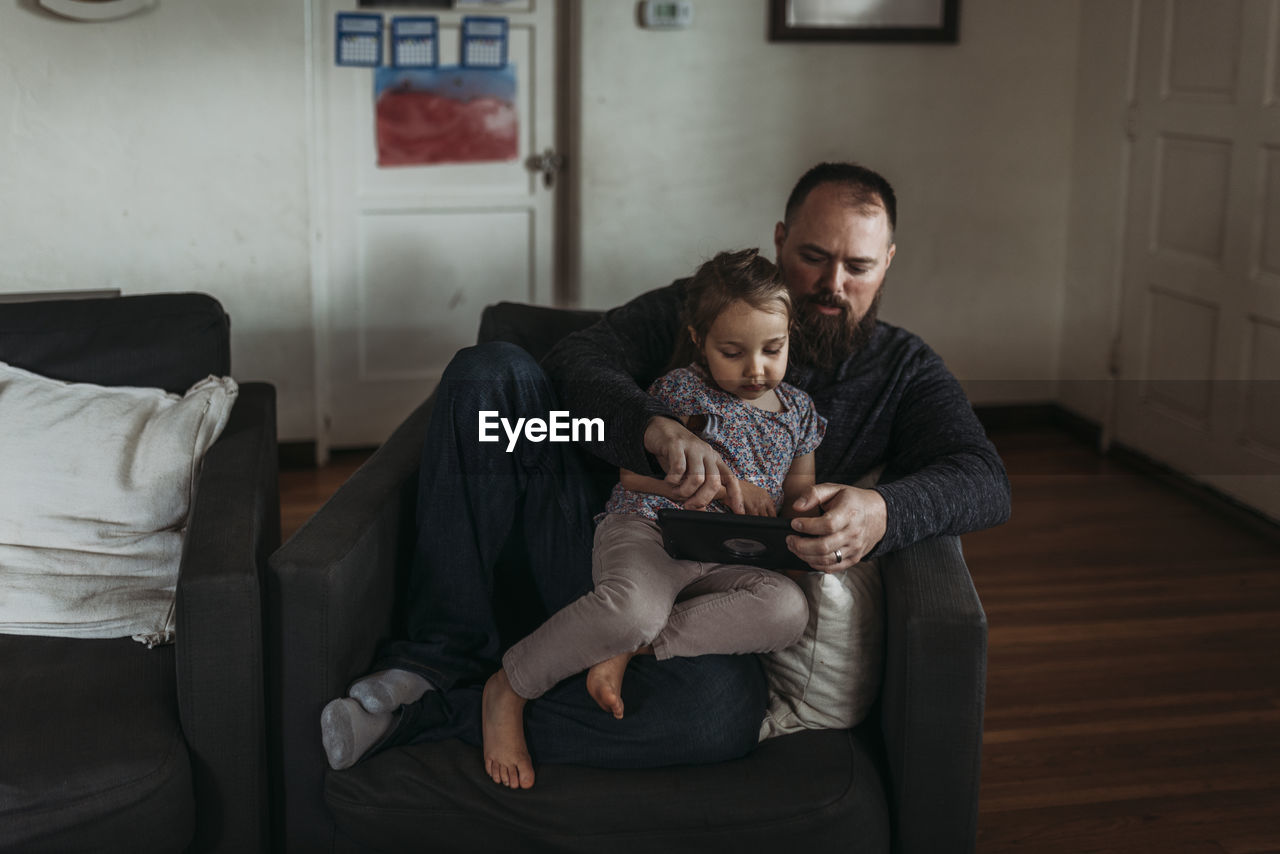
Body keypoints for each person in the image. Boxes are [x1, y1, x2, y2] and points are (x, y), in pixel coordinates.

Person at [319, 161, 1011, 778]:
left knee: (709, 721)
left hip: (707, 609)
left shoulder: (905, 371)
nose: (832, 285)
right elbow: (576, 360)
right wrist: (648, 427)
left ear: (888, 261)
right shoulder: (702, 306)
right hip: (606, 546)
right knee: (488, 375)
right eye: (813, 257)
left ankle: (448, 710)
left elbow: (983, 478)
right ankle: (434, 658)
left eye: (858, 267)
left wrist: (883, 511)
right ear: (779, 240)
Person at [481, 248, 825, 789]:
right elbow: (632, 478)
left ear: (789, 337)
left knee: (787, 611)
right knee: (631, 607)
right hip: (653, 532)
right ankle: (509, 685)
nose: (755, 369)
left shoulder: (801, 414)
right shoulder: (682, 393)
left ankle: (625, 645)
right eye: (732, 352)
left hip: (726, 556)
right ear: (699, 341)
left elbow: (799, 494)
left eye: (773, 349)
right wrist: (735, 486)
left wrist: (802, 528)